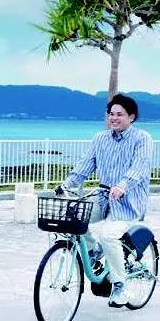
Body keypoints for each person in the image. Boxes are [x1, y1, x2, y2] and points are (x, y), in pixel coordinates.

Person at [55, 93, 152, 308]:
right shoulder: (100, 139)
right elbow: (85, 165)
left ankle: (119, 285)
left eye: (119, 114)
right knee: (74, 217)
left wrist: (122, 186)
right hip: (103, 197)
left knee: (109, 235)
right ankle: (93, 249)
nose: (113, 118)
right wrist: (66, 184)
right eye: (111, 114)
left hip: (128, 202)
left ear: (131, 117)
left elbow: (139, 168)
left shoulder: (142, 138)